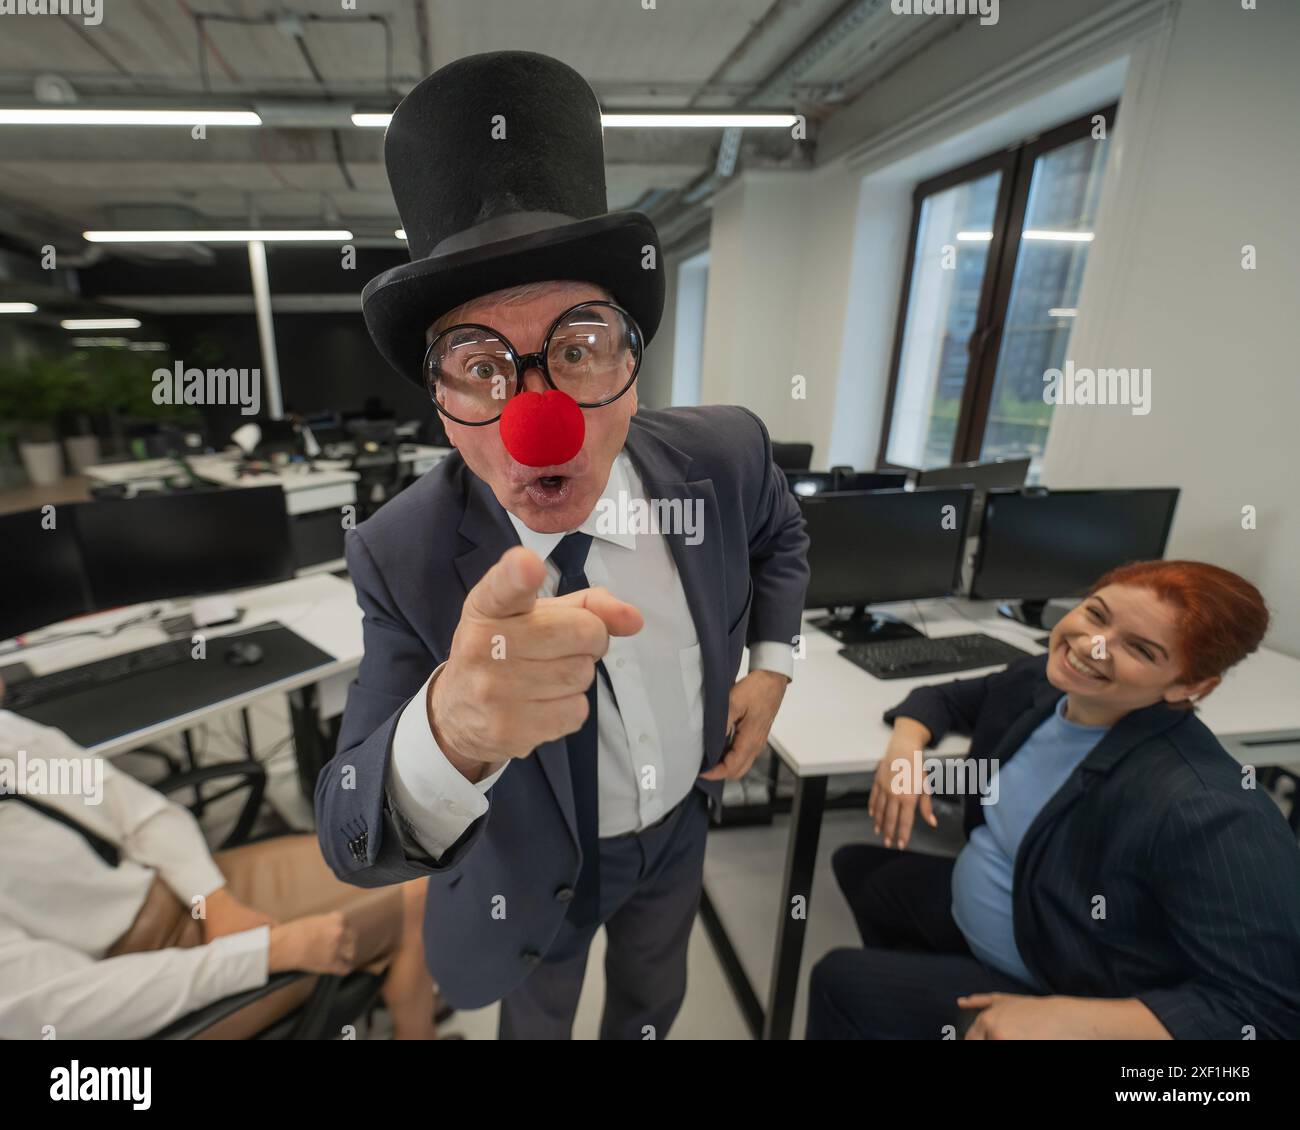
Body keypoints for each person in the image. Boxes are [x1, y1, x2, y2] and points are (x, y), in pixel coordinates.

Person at [315, 50, 809, 1039]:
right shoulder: (400, 550)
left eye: (577, 346)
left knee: (651, 1004)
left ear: (632, 359)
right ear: (440, 400)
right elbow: (348, 828)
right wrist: (450, 728)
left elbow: (780, 538)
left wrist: (771, 664)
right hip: (531, 868)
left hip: (676, 825)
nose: (537, 420)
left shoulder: (725, 451)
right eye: (479, 365)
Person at [807, 559, 1300, 1040]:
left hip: (1071, 976)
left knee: (841, 982)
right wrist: (904, 750)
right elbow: (949, 698)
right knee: (864, 872)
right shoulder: (1046, 683)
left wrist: (1068, 1020)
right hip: (1026, 905)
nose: (1091, 646)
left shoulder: (1210, 808)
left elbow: (1268, 1012)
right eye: (1096, 614)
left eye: (1141, 650)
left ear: (1191, 686)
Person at [0, 702, 443, 1040]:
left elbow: (139, 811)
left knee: (403, 875)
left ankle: (400, 997)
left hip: (175, 890)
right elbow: (60, 1009)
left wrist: (212, 900)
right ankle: (406, 1004)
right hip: (133, 988)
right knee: (411, 907)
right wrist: (262, 954)